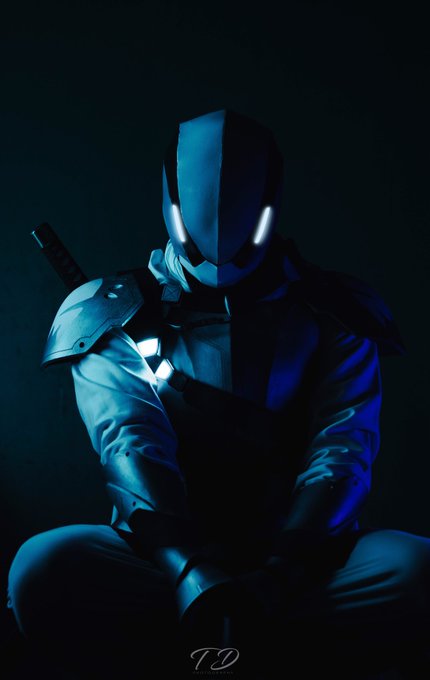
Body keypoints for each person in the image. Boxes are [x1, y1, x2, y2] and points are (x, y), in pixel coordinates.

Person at [6, 109, 430, 679]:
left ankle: (244, 641)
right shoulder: (111, 314)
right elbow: (129, 442)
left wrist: (280, 574)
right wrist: (189, 571)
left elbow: (343, 449)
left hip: (305, 560)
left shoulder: (334, 313)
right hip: (163, 557)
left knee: (416, 570)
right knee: (43, 568)